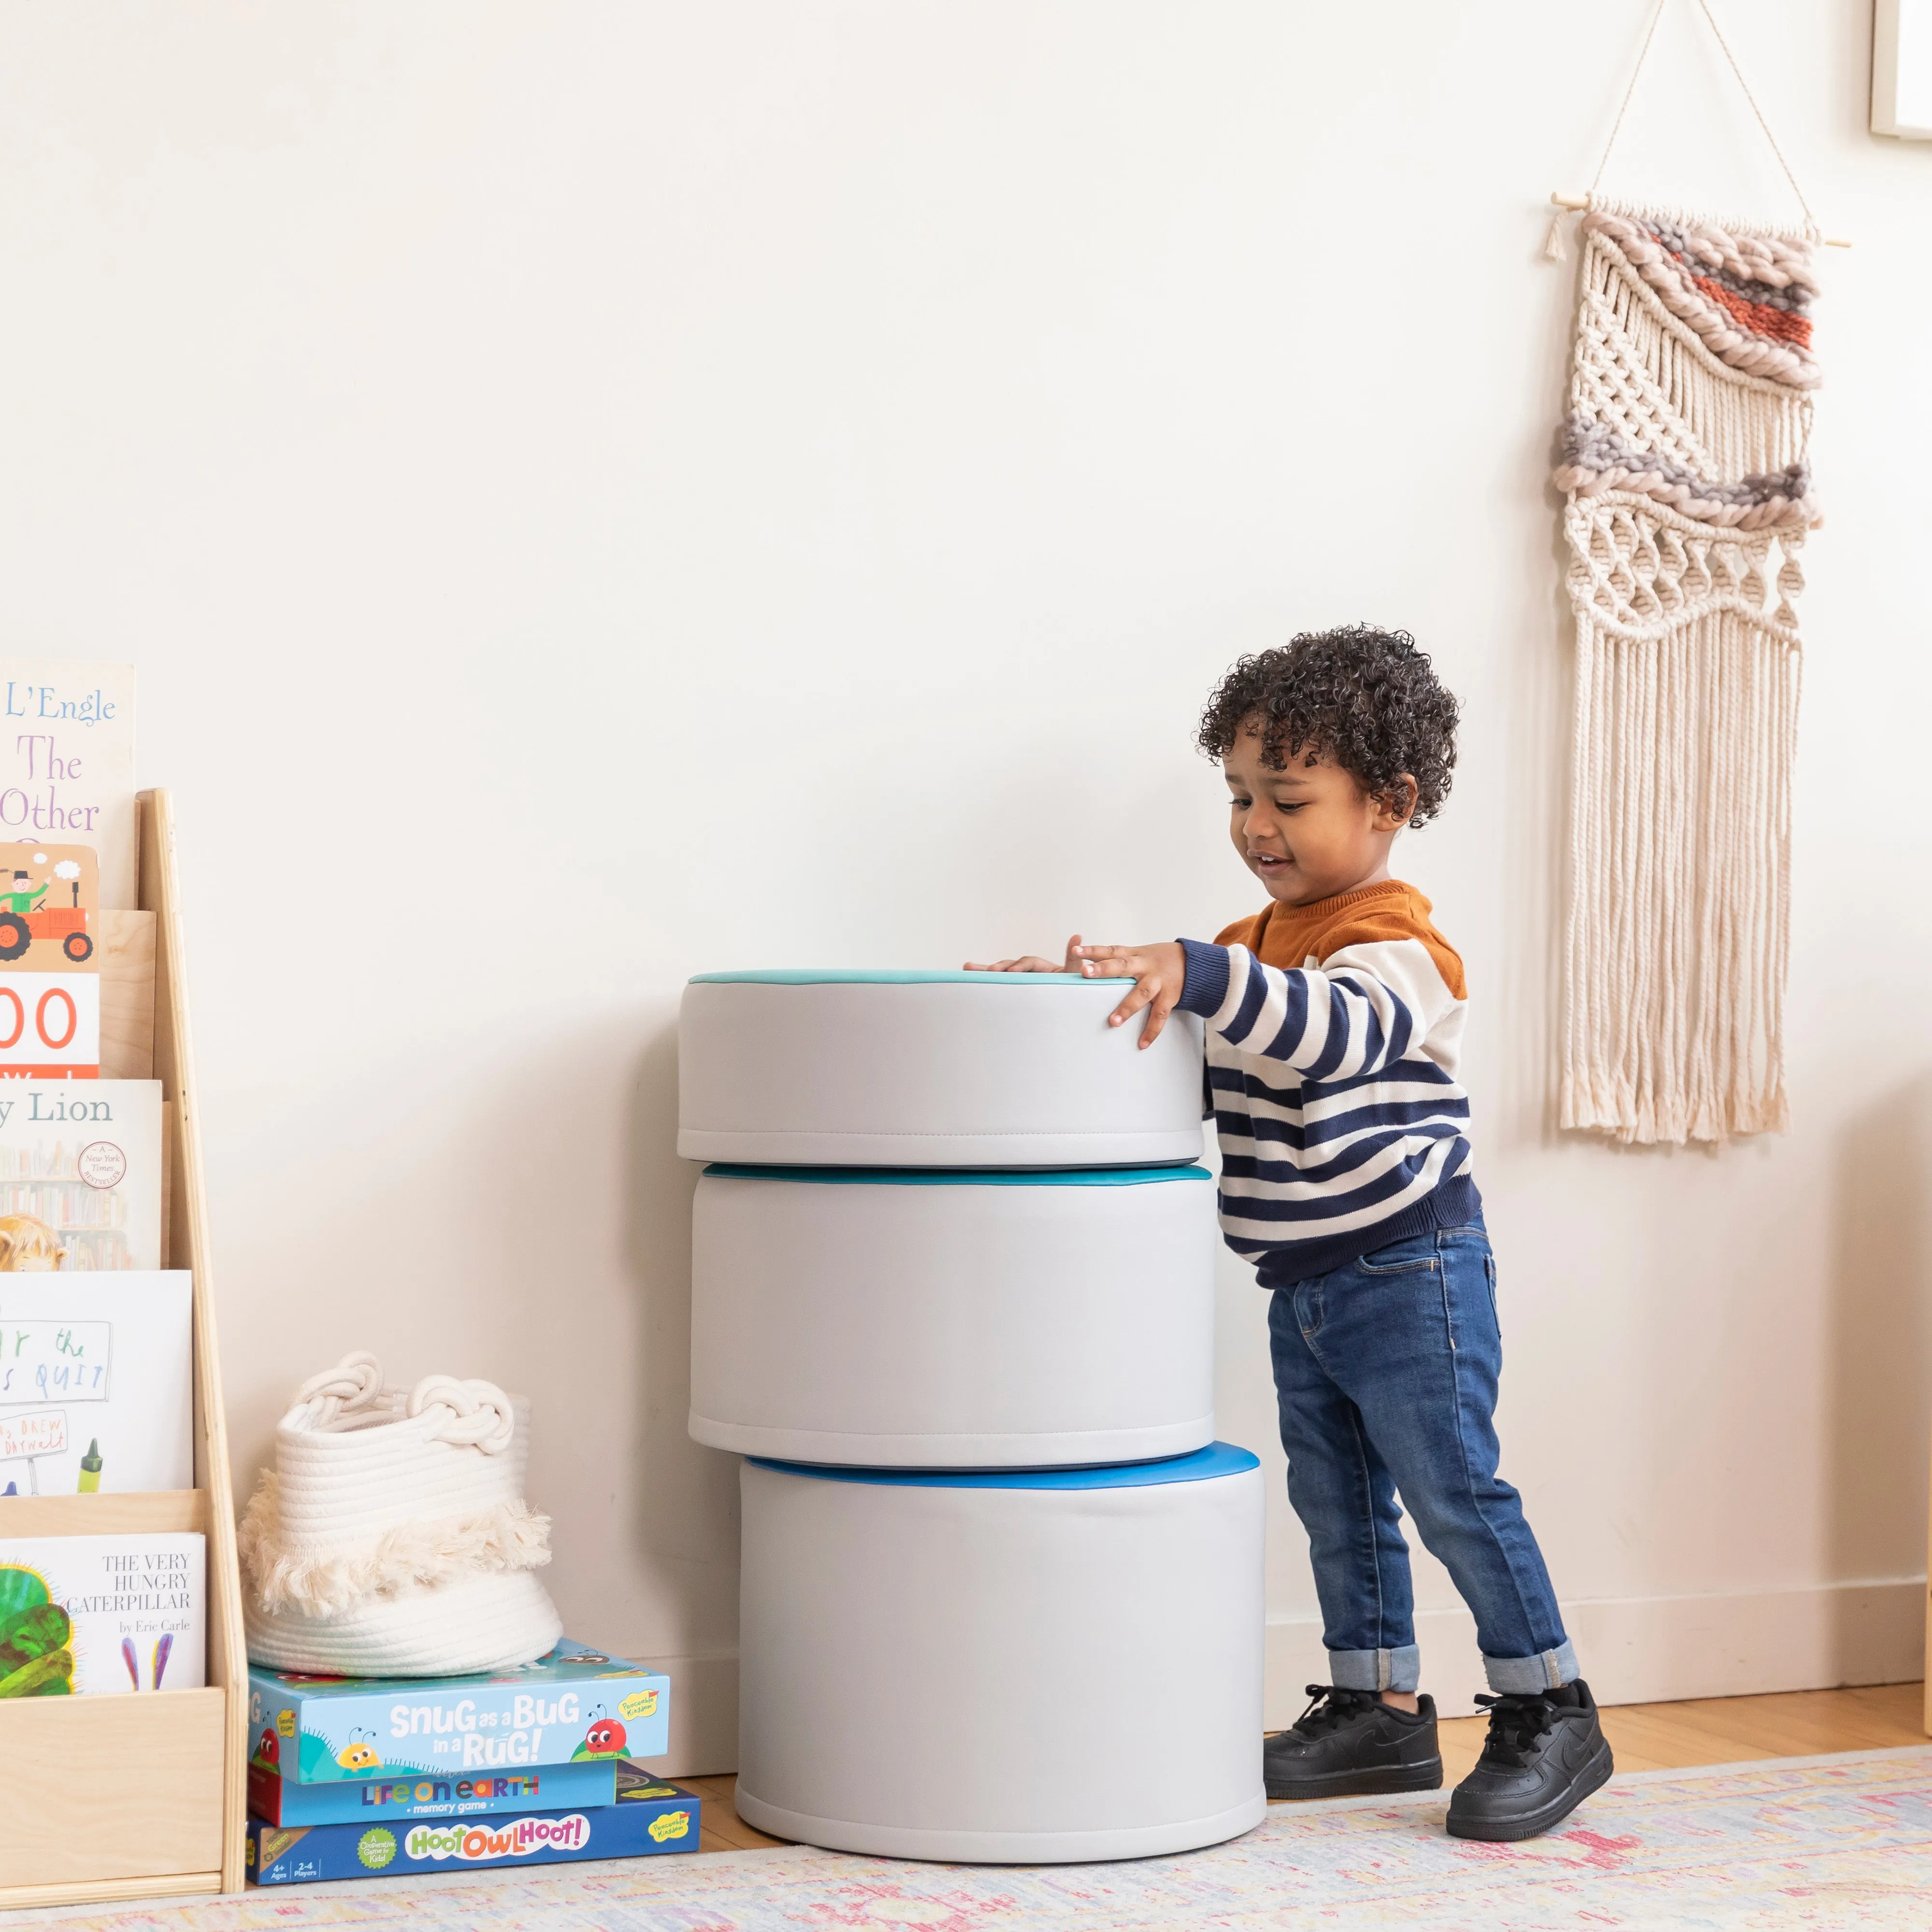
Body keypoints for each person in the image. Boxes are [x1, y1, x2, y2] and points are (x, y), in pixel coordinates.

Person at [966, 624, 1611, 1842]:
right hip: (1305, 1277)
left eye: (1289, 798)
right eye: (1239, 794)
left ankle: (1551, 1701)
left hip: (1409, 1264)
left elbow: (1323, 1032)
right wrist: (1068, 1006)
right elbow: (1196, 1064)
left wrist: (1195, 970)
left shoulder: (1398, 949)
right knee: (1337, 1498)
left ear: (1391, 801)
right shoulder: (1252, 946)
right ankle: (1376, 1704)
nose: (1257, 824)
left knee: (1453, 1488)